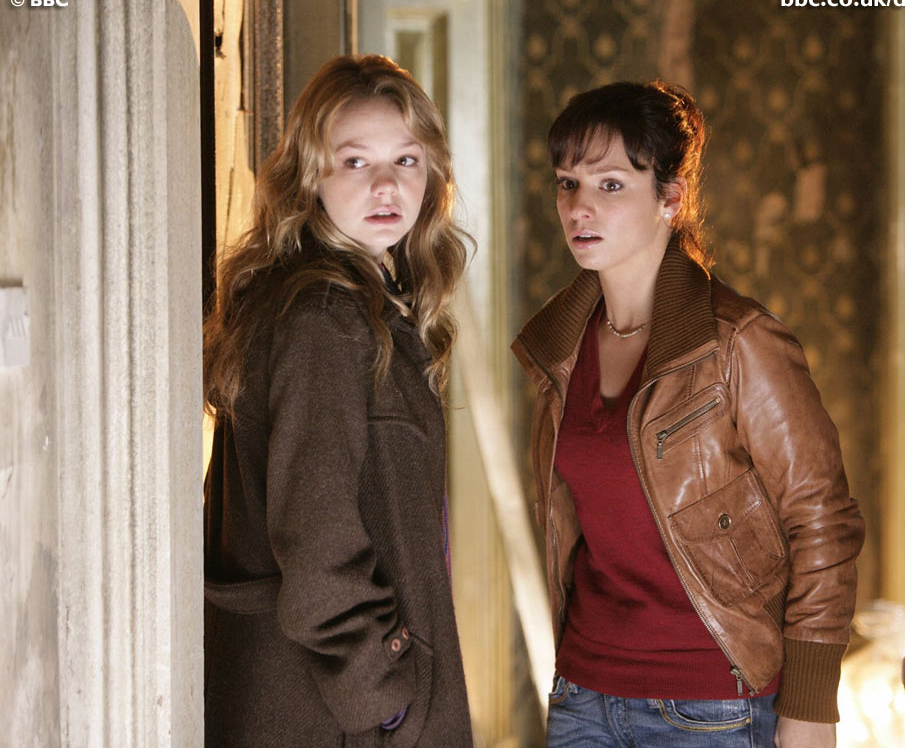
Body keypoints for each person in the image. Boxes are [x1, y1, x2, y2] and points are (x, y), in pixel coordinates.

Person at [512, 80, 865, 748]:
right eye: (567, 184)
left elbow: (823, 518)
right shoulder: (559, 351)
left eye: (611, 185)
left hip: (714, 707)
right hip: (583, 697)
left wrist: (812, 702)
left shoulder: (738, 343)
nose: (580, 207)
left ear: (669, 198)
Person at [202, 54, 473, 748]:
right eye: (355, 162)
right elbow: (316, 534)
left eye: (406, 160)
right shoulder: (322, 316)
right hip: (333, 714)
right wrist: (381, 698)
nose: (386, 185)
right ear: (310, 175)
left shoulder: (365, 305)